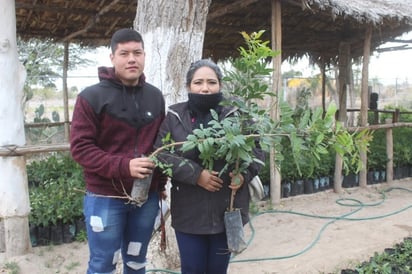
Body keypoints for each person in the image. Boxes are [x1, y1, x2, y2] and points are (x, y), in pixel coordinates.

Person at [70, 28, 166, 274]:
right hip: (105, 198)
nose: (131, 59)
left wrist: (161, 183)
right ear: (112, 58)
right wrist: (125, 166)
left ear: (144, 56)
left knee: (136, 259)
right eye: (124, 53)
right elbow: (81, 148)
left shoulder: (155, 97)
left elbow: (161, 145)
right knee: (103, 263)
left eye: (137, 52)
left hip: (145, 198)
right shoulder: (91, 97)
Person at [154, 59, 264, 274]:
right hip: (189, 212)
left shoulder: (237, 115)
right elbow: (161, 154)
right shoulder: (174, 117)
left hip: (227, 209)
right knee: (192, 269)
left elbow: (257, 151)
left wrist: (244, 174)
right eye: (198, 82)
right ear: (188, 86)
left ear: (220, 85)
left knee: (217, 270)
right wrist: (196, 175)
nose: (205, 88)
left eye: (211, 82)